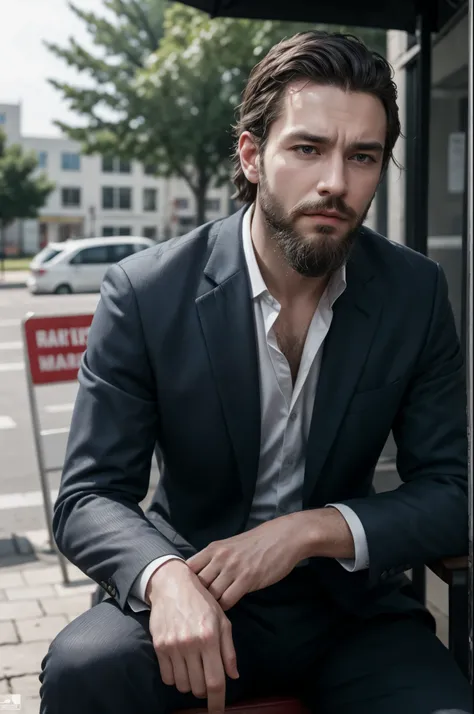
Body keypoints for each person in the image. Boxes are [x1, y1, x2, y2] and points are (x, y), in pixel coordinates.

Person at [39, 31, 472, 714]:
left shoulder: (413, 293)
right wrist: (165, 580)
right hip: (198, 587)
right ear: (251, 154)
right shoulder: (146, 292)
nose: (336, 181)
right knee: (80, 671)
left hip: (347, 611)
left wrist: (305, 532)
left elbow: (453, 494)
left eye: (362, 156)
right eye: (307, 148)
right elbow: (89, 496)